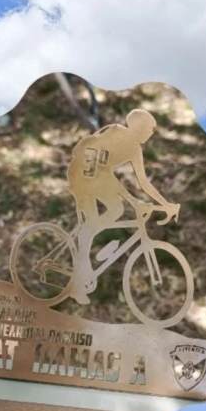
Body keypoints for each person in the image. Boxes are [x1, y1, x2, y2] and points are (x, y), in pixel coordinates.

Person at [66, 107, 179, 303]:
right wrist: (132, 200)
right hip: (83, 171)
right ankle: (77, 283)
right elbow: (97, 170)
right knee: (91, 222)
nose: (151, 133)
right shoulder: (115, 134)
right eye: (149, 128)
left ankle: (92, 237)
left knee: (117, 209)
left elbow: (143, 182)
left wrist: (166, 204)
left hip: (98, 173)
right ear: (138, 127)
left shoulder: (134, 149)